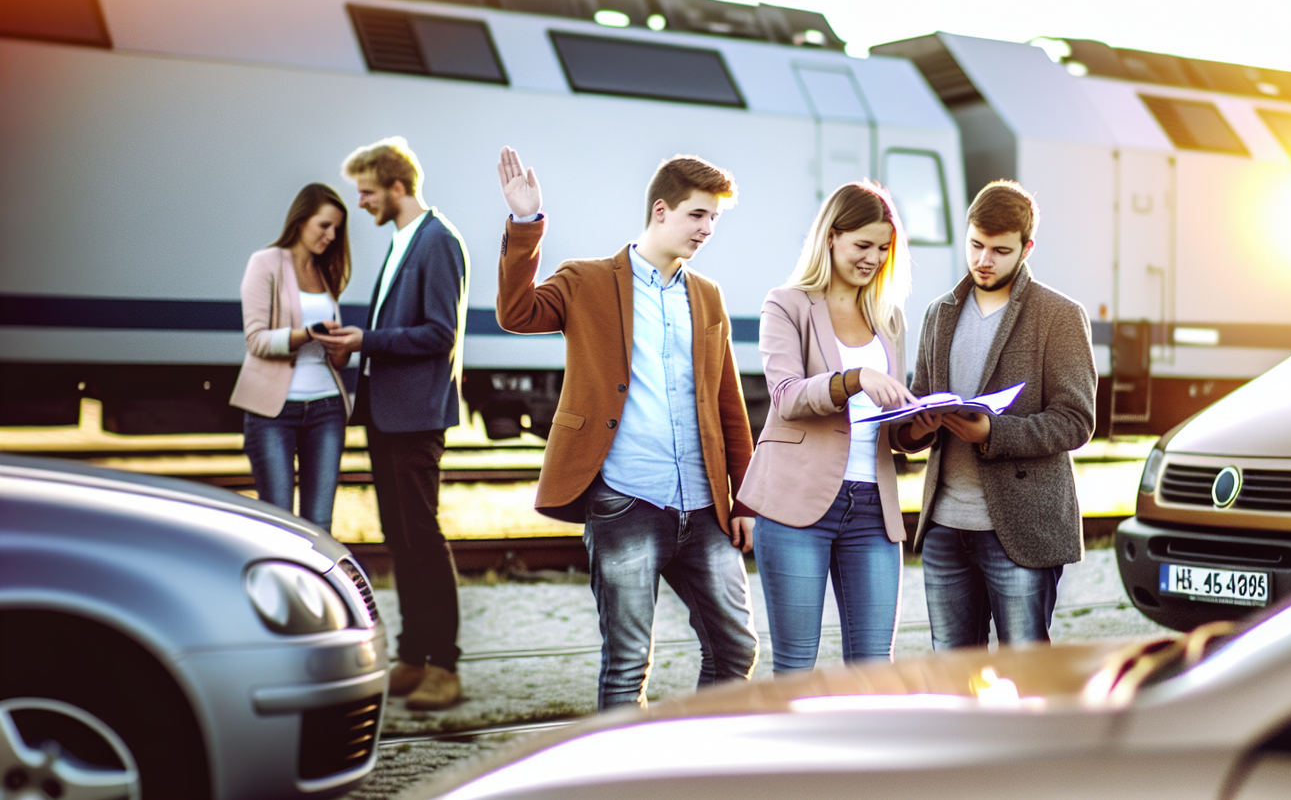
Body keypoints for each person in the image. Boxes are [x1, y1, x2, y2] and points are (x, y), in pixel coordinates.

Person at [494, 145, 758, 709]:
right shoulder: (586, 280)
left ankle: (699, 754)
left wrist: (745, 501)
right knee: (628, 664)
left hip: (705, 509)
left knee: (736, 649)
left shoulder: (707, 296)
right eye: (697, 214)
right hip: (626, 501)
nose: (707, 228)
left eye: (714, 218)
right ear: (661, 210)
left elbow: (728, 404)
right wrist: (525, 221)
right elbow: (517, 313)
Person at [732, 181, 931, 673]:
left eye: (883, 249)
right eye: (863, 245)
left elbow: (891, 430)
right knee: (796, 667)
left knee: (874, 669)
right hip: (796, 506)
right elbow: (787, 397)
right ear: (831, 237)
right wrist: (854, 379)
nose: (873, 259)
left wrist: (922, 426)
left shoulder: (889, 318)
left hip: (873, 510)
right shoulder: (787, 304)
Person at [894, 180, 1097, 649]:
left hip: (1020, 532)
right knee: (952, 672)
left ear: (1027, 248)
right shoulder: (939, 313)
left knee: (1024, 672)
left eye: (1000, 251)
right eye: (976, 245)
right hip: (945, 528)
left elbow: (1075, 420)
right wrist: (913, 429)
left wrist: (992, 431)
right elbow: (920, 398)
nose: (984, 260)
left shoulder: (1059, 315)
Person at [314, 137, 469, 711]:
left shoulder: (437, 240)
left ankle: (444, 666)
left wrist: (366, 340)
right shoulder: (405, 238)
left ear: (397, 187)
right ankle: (412, 657)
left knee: (422, 539)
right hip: (387, 412)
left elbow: (439, 333)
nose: (361, 203)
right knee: (401, 541)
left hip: (414, 416)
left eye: (367, 192)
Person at [230, 183, 352, 531]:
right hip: (274, 413)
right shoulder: (265, 263)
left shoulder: (325, 271)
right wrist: (307, 334)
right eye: (324, 225)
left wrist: (341, 347)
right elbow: (256, 340)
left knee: (320, 524)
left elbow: (334, 359)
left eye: (336, 229)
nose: (331, 236)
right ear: (300, 221)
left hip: (327, 408)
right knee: (278, 523)